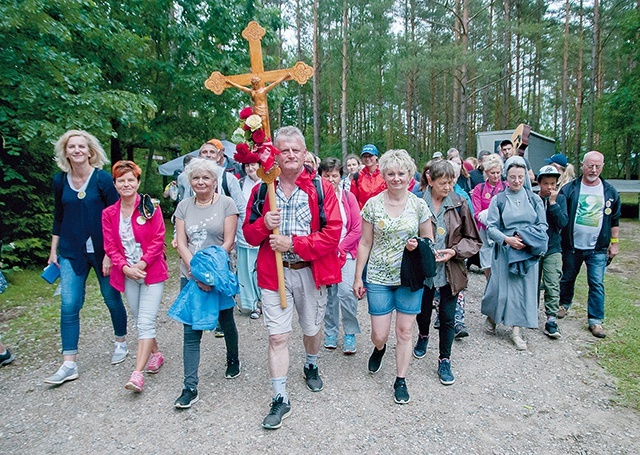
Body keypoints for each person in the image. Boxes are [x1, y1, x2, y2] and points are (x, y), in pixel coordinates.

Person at [243, 126, 342, 430]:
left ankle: (311, 364)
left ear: (304, 154)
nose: (289, 155)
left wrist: (294, 244)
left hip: (310, 272)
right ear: (276, 153)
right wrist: (263, 224)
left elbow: (332, 234)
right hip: (275, 274)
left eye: (295, 150)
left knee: (311, 330)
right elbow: (247, 234)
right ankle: (280, 397)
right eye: (283, 150)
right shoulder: (262, 189)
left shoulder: (322, 188)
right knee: (277, 336)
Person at [45, 130, 128, 385]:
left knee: (111, 298)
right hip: (71, 251)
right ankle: (69, 363)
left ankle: (121, 342)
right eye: (72, 147)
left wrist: (111, 255)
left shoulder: (102, 179)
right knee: (69, 304)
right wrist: (52, 252)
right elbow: (59, 217)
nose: (77, 150)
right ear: (66, 151)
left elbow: (116, 216)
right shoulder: (60, 181)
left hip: (103, 251)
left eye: (82, 146)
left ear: (90, 151)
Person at [353, 149, 433, 405]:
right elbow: (365, 243)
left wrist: (417, 244)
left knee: (405, 331)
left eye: (401, 173)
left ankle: (400, 378)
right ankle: (379, 348)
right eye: (391, 173)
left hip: (409, 277)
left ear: (409, 175)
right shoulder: (373, 205)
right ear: (383, 175)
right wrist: (358, 278)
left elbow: (429, 241)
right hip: (378, 276)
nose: (396, 178)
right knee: (379, 333)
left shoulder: (419, 205)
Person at [173, 158, 241, 409]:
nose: (200, 182)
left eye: (206, 178)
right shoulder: (183, 206)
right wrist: (197, 273)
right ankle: (190, 387)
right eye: (195, 178)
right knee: (191, 332)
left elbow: (228, 242)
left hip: (219, 275)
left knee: (226, 321)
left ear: (214, 181)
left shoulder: (227, 204)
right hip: (191, 277)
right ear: (189, 182)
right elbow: (181, 242)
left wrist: (209, 274)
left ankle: (233, 358)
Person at [102, 161, 169, 392]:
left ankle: (137, 374)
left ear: (138, 182)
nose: (126, 184)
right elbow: (110, 246)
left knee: (145, 321)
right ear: (115, 184)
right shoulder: (109, 214)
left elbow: (158, 238)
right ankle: (156, 354)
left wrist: (140, 264)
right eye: (121, 180)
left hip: (151, 272)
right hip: (128, 274)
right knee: (139, 317)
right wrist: (125, 268)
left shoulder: (151, 207)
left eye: (130, 180)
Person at [413, 160, 481, 385]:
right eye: (443, 182)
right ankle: (423, 336)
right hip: (422, 271)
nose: (448, 186)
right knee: (422, 312)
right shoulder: (416, 203)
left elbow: (474, 240)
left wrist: (454, 251)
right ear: (430, 180)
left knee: (447, 317)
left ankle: (444, 359)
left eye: (451, 182)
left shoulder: (460, 203)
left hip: (450, 270)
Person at [481, 161, 548, 350]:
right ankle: (493, 317)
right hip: (505, 251)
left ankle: (516, 331)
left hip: (527, 251)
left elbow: (543, 226)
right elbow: (491, 227)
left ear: (525, 177)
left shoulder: (534, 199)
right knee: (499, 288)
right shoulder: (499, 200)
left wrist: (527, 239)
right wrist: (507, 240)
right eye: (513, 177)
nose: (517, 180)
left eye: (520, 177)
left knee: (523, 291)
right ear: (506, 177)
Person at [558, 151, 620, 338]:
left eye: (598, 166)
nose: (594, 170)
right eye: (590, 165)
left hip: (598, 248)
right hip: (572, 245)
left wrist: (614, 243)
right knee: (568, 277)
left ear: (602, 167)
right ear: (582, 165)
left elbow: (615, 220)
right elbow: (559, 216)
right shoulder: (570, 189)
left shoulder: (609, 191)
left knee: (596, 283)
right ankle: (564, 304)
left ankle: (595, 320)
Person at [318, 158, 362, 354]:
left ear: (340, 176)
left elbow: (356, 228)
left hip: (346, 251)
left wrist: (340, 248)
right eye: (326, 175)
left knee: (346, 292)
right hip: (324, 253)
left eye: (334, 175)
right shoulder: (316, 199)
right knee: (330, 295)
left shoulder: (348, 197)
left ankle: (350, 333)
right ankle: (330, 331)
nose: (330, 179)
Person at [536, 165, 568, 339]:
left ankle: (551, 318)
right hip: (534, 249)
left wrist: (553, 204)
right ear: (539, 183)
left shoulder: (560, 199)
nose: (549, 187)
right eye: (546, 183)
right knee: (532, 282)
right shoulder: (533, 199)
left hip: (553, 248)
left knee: (552, 282)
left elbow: (563, 223)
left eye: (553, 183)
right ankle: (530, 313)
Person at [471, 154, 506, 279]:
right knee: (487, 259)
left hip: (503, 229)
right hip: (484, 230)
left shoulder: (506, 187)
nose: (496, 176)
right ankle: (489, 284)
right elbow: (476, 213)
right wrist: (490, 217)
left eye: (498, 172)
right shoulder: (479, 189)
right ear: (486, 172)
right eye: (492, 173)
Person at [238, 162, 263, 319]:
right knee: (246, 270)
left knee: (260, 270)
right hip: (243, 233)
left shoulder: (267, 183)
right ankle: (251, 303)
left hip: (261, 233)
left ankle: (263, 301)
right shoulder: (240, 183)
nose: (250, 168)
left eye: (253, 164)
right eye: (247, 165)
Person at [350, 144, 386, 208]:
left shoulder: (384, 174)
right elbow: (353, 199)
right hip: (363, 214)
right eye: (365, 156)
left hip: (383, 212)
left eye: (370, 156)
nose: (367, 158)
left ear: (376, 157)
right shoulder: (357, 177)